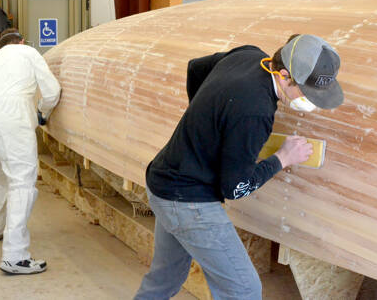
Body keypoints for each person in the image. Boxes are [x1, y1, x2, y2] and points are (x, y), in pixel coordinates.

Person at [134, 34, 344, 300]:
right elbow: (235, 188)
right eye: (307, 91)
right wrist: (283, 158)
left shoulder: (249, 54)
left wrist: (205, 125)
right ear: (284, 76)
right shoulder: (255, 112)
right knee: (243, 290)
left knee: (164, 280)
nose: (310, 100)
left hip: (163, 181)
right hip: (188, 202)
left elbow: (196, 68)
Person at [0, 28, 61, 274]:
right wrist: (43, 113)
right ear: (22, 41)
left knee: (2, 174)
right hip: (13, 120)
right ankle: (15, 257)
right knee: (22, 182)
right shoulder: (28, 52)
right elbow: (52, 91)